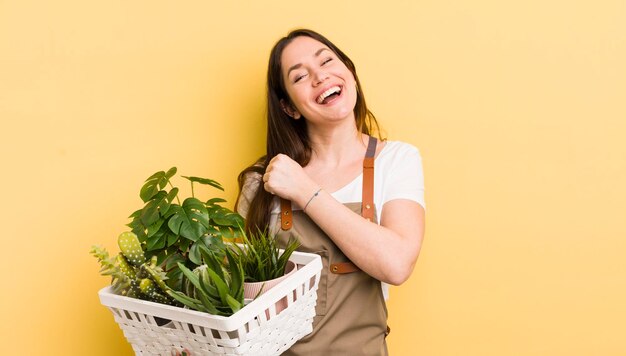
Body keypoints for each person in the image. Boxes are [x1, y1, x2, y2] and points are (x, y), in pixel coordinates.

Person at [236, 29, 425, 355]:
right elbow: (240, 298)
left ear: (349, 73)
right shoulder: (263, 181)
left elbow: (396, 264)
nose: (320, 76)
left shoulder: (396, 160)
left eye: (326, 61)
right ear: (289, 108)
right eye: (300, 77)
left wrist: (305, 190)